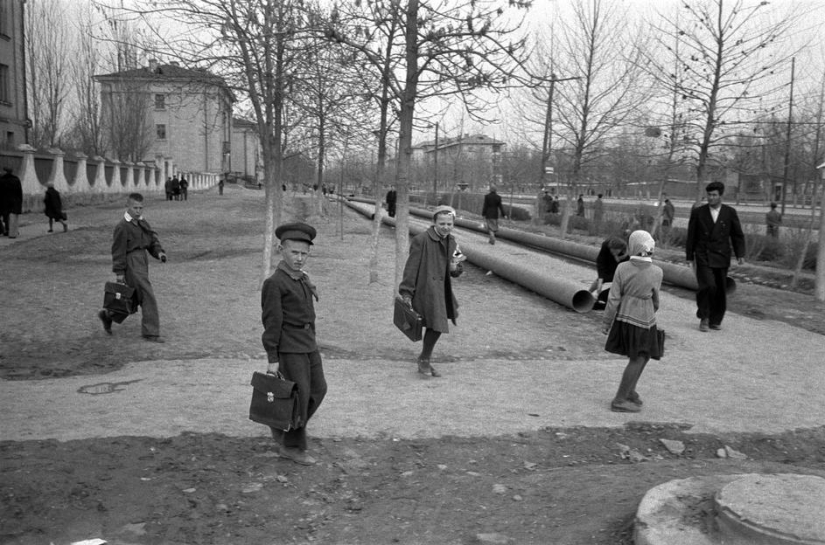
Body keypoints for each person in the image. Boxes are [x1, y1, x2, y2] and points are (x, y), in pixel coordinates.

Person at [261, 222, 327, 465]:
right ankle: (292, 446)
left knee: (319, 390)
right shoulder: (275, 283)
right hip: (289, 348)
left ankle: (282, 426)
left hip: (308, 344)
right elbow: (271, 323)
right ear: (281, 250)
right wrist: (273, 360)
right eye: (294, 253)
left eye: (304, 254)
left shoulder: (302, 279)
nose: (300, 259)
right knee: (300, 397)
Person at [399, 205, 465, 377]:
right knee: (436, 324)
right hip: (425, 288)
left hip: (442, 290)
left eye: (449, 224)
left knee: (437, 325)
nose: (445, 227)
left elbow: (458, 269)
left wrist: (454, 268)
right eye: (442, 223)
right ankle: (424, 360)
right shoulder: (421, 240)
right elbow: (411, 268)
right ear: (434, 222)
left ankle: (424, 358)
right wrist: (406, 292)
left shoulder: (453, 242)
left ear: (453, 224)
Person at [602, 230, 663, 413]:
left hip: (625, 316)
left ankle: (629, 391)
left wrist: (607, 322)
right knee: (640, 357)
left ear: (632, 247)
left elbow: (613, 298)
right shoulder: (657, 272)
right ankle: (620, 399)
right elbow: (656, 300)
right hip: (645, 319)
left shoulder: (622, 268)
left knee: (640, 356)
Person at [98, 193, 168, 342]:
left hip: (142, 262)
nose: (138, 211)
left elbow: (151, 241)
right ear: (127, 207)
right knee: (147, 295)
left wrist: (159, 253)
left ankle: (108, 315)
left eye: (140, 208)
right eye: (135, 208)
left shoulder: (142, 223)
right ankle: (151, 332)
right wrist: (119, 272)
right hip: (131, 263)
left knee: (132, 298)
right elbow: (118, 251)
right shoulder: (122, 226)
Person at [686, 181, 745, 332]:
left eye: (714, 195)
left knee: (719, 288)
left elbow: (737, 235)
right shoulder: (698, 213)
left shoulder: (729, 212)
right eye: (709, 195)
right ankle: (704, 317)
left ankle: (715, 319)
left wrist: (740, 254)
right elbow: (691, 235)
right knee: (708, 285)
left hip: (721, 255)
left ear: (720, 196)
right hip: (703, 254)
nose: (711, 198)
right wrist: (689, 256)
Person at [590, 237, 628, 311]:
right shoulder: (606, 245)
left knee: (619, 283)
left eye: (614, 251)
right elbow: (600, 261)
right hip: (610, 261)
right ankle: (588, 294)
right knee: (601, 279)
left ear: (621, 249)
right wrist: (600, 281)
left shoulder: (629, 253)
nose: (612, 252)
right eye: (611, 250)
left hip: (623, 266)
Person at [0, 166, 23, 238]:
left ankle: (7, 230)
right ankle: (10, 231)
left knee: (6, 216)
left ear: (6, 172)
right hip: (14, 202)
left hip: (4, 201)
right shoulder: (16, 179)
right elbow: (19, 192)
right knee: (12, 217)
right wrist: (20, 202)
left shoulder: (2, 180)